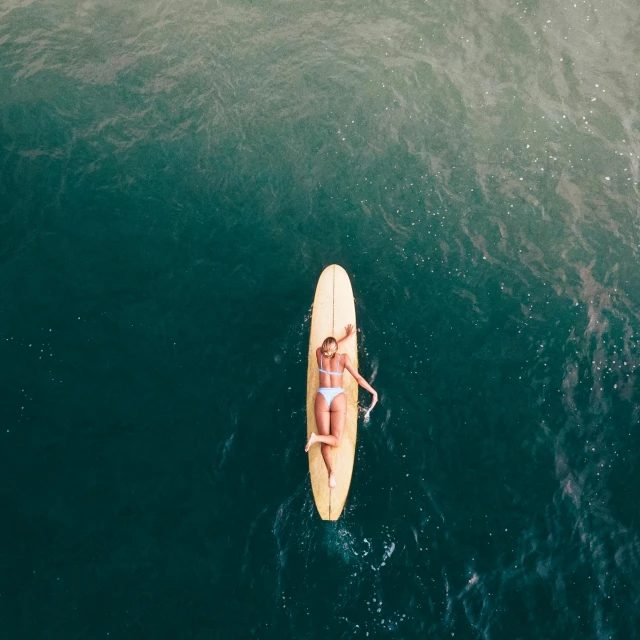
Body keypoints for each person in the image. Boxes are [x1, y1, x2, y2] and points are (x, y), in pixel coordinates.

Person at [305, 324, 378, 488]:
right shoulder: (343, 358)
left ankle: (331, 471)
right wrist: (373, 392)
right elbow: (358, 378)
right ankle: (316, 438)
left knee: (327, 441)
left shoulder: (319, 354)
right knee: (336, 440)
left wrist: (340, 340)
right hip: (337, 396)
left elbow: (327, 349)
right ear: (336, 348)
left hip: (322, 396)